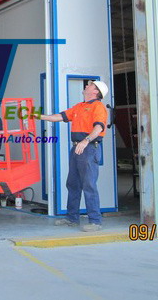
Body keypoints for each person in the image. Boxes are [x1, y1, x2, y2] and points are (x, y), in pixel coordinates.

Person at [37, 80, 109, 232]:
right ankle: (72, 218)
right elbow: (57, 117)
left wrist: (86, 141)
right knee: (73, 184)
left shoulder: (98, 107)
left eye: (90, 85)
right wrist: (35, 115)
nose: (87, 85)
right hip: (77, 148)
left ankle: (95, 221)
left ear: (96, 92)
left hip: (88, 148)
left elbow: (98, 127)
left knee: (89, 185)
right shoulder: (79, 107)